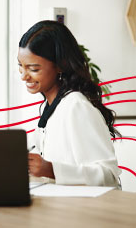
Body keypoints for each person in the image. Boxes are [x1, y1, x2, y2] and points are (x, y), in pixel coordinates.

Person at [17, 20, 121, 186]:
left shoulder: (76, 106)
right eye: (21, 66)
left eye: (34, 69)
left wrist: (50, 169)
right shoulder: (49, 107)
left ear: (60, 66)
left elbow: (108, 176)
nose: (23, 75)